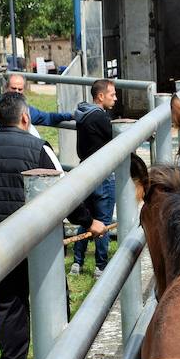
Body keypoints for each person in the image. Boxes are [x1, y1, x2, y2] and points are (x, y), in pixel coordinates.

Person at [0, 92, 106, 359]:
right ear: (25, 118)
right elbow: (63, 192)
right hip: (35, 241)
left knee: (7, 303)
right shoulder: (38, 147)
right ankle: (60, 356)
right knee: (51, 294)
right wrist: (88, 221)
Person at [71, 79, 118, 278]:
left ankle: (77, 262)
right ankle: (101, 266)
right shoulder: (100, 118)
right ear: (100, 96)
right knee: (103, 222)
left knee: (88, 219)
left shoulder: (83, 114)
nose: (115, 98)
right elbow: (118, 139)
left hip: (85, 172)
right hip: (103, 174)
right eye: (112, 95)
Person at [0, 72, 73, 128]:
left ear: (24, 90)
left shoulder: (25, 109)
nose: (16, 92)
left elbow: (48, 117)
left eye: (20, 89)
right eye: (13, 88)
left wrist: (71, 116)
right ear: (5, 88)